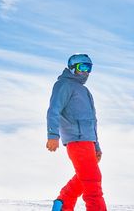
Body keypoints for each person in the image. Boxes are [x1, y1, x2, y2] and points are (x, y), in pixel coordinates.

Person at [47, 54, 106, 211]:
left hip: (88, 141)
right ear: (72, 68)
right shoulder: (64, 85)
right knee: (92, 180)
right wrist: (53, 135)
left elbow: (91, 122)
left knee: (85, 177)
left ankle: (63, 203)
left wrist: (96, 146)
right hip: (76, 140)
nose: (86, 72)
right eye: (82, 67)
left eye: (89, 68)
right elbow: (54, 110)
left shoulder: (84, 91)